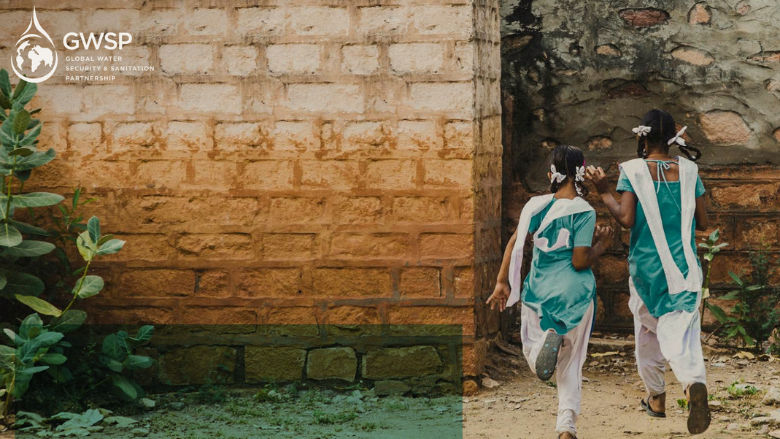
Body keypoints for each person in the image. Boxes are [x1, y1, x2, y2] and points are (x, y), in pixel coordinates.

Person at [586, 109, 710, 435]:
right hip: (685, 268)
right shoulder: (690, 170)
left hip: (647, 269)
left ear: (642, 136)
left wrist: (602, 189)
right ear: (672, 139)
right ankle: (692, 381)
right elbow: (705, 223)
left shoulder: (633, 171)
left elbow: (625, 219)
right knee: (681, 326)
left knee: (648, 331)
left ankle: (656, 397)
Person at [488, 144, 612, 439]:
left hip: (540, 291)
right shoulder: (585, 211)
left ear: (551, 174)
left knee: (532, 347)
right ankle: (566, 427)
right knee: (572, 362)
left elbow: (514, 243)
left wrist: (501, 281)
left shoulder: (536, 206)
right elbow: (580, 260)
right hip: (576, 294)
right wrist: (602, 247)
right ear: (581, 175)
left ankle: (545, 340)